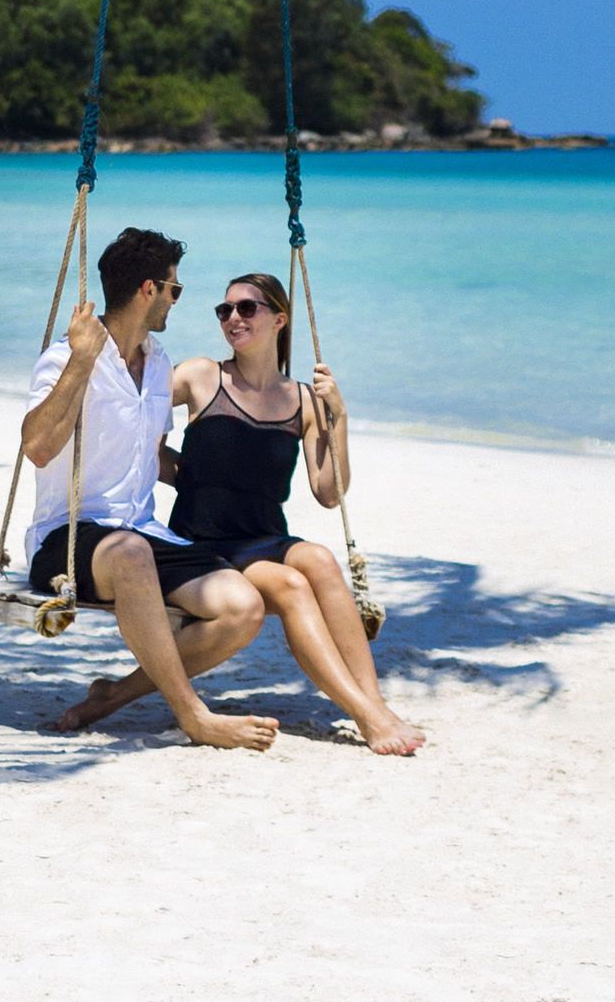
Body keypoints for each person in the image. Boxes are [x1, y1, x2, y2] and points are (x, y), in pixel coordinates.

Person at [18, 225, 278, 751]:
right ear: (148, 290)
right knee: (131, 551)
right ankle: (193, 715)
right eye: (174, 290)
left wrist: (231, 487)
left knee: (242, 606)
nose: (176, 301)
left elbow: (153, 456)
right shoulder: (65, 356)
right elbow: (39, 447)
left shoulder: (159, 363)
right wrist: (83, 360)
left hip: (142, 532)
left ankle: (116, 694)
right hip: (66, 540)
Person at [165, 270, 425, 756]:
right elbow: (132, 418)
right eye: (225, 310)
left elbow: (329, 492)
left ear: (279, 318)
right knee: (291, 584)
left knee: (322, 560)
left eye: (247, 308)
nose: (233, 318)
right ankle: (369, 716)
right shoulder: (200, 375)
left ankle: (374, 702)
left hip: (263, 536)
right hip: (203, 543)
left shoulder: (302, 399)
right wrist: (185, 473)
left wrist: (339, 418)